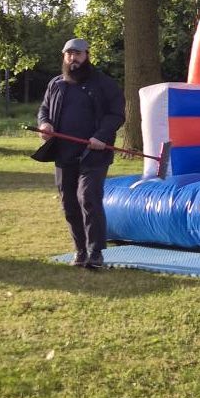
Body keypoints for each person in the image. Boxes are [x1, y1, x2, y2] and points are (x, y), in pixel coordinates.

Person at [37, 38, 125, 271]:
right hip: (63, 153)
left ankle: (96, 252)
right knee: (68, 202)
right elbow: (44, 110)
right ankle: (80, 250)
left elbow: (116, 114)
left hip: (94, 153)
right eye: (68, 54)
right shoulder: (56, 84)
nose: (72, 58)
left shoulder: (104, 84)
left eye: (77, 54)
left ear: (87, 55)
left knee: (88, 198)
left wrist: (102, 136)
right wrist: (45, 124)